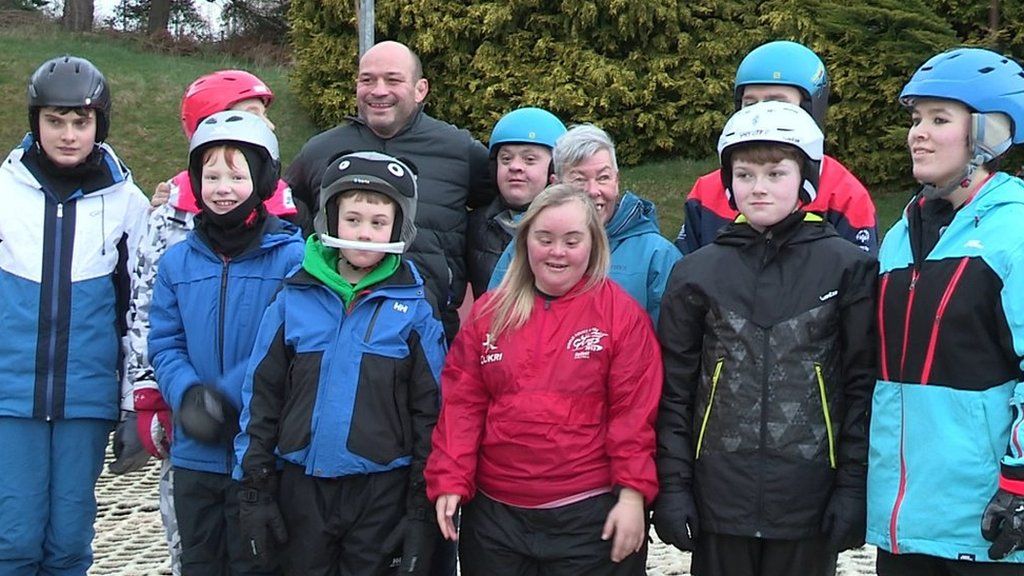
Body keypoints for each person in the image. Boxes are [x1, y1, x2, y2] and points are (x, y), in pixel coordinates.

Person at [655, 101, 877, 576]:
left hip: (808, 501)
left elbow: (861, 387)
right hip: (720, 501)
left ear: (804, 179)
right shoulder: (696, 273)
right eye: (745, 174)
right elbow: (675, 390)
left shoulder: (847, 267)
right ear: (729, 183)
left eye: (776, 173)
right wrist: (673, 487)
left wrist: (853, 488)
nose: (759, 187)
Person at [109, 68, 301, 575]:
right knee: (197, 560)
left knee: (255, 562)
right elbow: (164, 339)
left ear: (261, 180)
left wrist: (226, 394)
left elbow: (286, 341)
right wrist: (187, 392)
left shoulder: (292, 259)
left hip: (260, 450)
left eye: (237, 177)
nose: (223, 189)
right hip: (195, 454)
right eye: (211, 177)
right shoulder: (178, 262)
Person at [426, 184, 662, 575]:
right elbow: (462, 405)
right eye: (545, 239)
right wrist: (450, 478)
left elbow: (634, 416)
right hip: (496, 519)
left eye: (572, 240)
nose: (557, 252)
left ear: (593, 245)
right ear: (525, 242)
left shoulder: (621, 316)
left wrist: (633, 497)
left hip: (588, 516)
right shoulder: (490, 313)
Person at [234, 151, 446, 575]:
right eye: (352, 220)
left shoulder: (415, 308)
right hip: (303, 487)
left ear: (398, 227)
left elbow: (431, 411)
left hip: (380, 490)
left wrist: (420, 507)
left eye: (378, 223)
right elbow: (262, 396)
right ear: (330, 219)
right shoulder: (294, 298)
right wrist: (255, 487)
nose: (364, 235)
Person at [867, 47, 1024, 574]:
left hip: (988, 523)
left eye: (939, 119)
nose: (918, 133)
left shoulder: (1015, 233)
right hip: (902, 525)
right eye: (915, 120)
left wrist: (1019, 482)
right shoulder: (897, 237)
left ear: (990, 135)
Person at [0, 55, 150, 574]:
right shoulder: (3, 194)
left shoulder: (127, 202)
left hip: (85, 397)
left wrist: (135, 403)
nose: (68, 134)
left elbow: (139, 309)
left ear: (99, 125)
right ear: (35, 122)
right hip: (10, 397)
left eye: (81, 122)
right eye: (55, 121)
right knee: (14, 539)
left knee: (68, 541)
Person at [285, 40, 494, 346]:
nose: (378, 90)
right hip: (336, 327)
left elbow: (497, 215)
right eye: (367, 80)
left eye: (393, 80)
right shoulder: (320, 151)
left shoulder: (460, 151)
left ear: (420, 89)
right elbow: (286, 213)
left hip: (430, 329)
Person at [676, 40, 878, 256]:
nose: (762, 114)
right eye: (751, 103)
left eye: (778, 103)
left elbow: (858, 276)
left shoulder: (844, 195)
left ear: (811, 108)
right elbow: (684, 272)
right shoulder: (707, 192)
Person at [488, 124, 681, 323]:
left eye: (603, 178)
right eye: (579, 180)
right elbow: (494, 324)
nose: (592, 190)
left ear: (617, 181)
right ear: (556, 185)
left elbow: (673, 341)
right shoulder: (526, 246)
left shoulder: (657, 255)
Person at [466, 107, 566, 298]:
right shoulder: (474, 226)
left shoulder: (577, 226)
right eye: (506, 159)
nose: (515, 167)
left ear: (555, 168)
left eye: (529, 159)